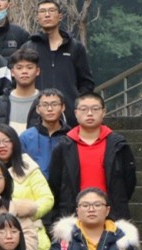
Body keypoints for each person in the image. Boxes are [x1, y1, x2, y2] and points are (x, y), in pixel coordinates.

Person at [47, 92, 136, 221]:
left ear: (103, 112)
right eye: (84, 109)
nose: (89, 113)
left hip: (112, 214)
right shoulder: (63, 146)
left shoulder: (118, 145)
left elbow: (129, 181)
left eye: (95, 109)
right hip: (73, 215)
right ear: (76, 113)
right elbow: (55, 183)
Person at [0, 125, 54, 250]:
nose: (2, 145)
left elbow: (47, 199)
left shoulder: (28, 167)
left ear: (15, 143)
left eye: (6, 141)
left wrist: (26, 211)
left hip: (30, 234)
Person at [28, 0, 94, 117]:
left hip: (70, 114)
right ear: (37, 18)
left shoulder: (75, 47)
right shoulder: (29, 47)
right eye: (42, 11)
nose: (47, 15)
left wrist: (76, 102)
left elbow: (86, 83)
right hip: (38, 114)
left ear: (60, 16)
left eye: (51, 10)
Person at [0, 47, 42, 132]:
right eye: (19, 68)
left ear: (37, 71)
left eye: (29, 67)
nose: (24, 71)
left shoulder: (45, 103)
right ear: (12, 72)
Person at [20, 88, 70, 177]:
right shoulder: (26, 137)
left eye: (54, 104)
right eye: (45, 105)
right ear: (37, 109)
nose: (50, 109)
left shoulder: (71, 136)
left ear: (63, 107)